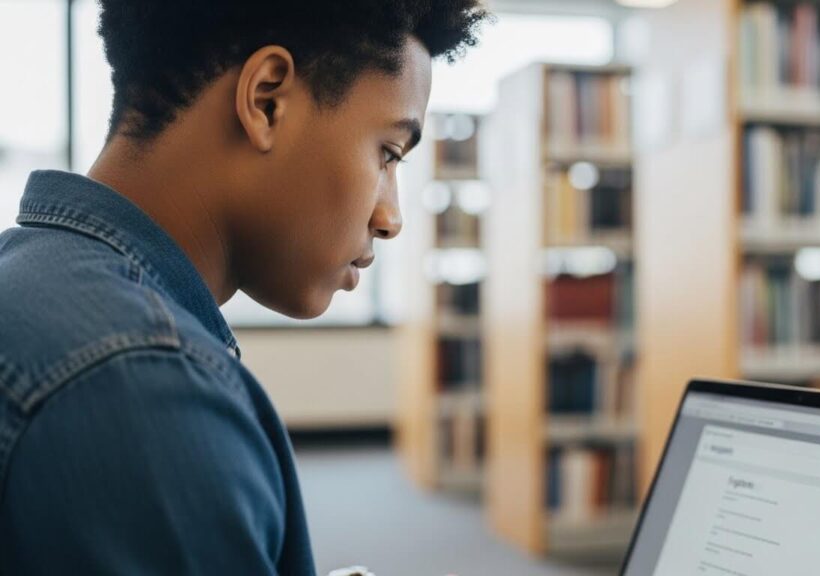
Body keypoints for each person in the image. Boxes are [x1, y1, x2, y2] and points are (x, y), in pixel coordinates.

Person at [0, 1, 485, 573]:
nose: (391, 217)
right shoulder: (144, 388)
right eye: (388, 153)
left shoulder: (30, 274)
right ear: (266, 101)